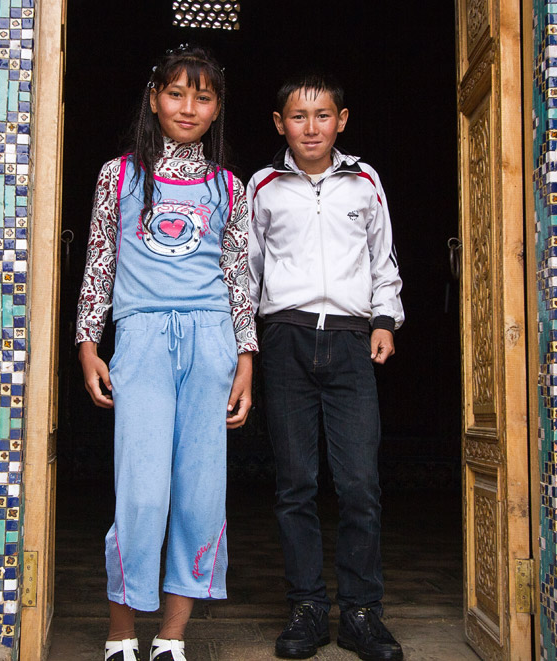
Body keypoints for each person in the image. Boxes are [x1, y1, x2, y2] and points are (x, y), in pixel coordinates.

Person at [75, 44, 257, 661]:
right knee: (141, 490)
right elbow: (100, 260)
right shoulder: (119, 175)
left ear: (216, 108)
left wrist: (246, 361)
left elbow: (238, 277)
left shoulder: (230, 187)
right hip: (142, 339)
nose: (188, 107)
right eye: (176, 93)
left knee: (200, 492)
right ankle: (121, 631)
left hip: (211, 341)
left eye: (202, 97)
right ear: (155, 99)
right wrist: (87, 343)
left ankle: (171, 639)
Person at [247, 72, 405, 661]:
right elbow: (246, 269)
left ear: (342, 121)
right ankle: (307, 609)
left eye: (321, 115)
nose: (309, 127)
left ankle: (363, 613)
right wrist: (247, 342)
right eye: (297, 116)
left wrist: (385, 321)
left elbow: (381, 257)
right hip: (284, 338)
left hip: (349, 340)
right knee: (296, 485)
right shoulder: (262, 187)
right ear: (279, 123)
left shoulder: (364, 182)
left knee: (360, 483)